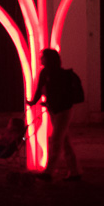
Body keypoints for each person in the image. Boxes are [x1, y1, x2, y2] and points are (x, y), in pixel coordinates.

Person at [27, 49, 82, 181]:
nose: (40, 59)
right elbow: (40, 89)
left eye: (43, 57)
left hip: (63, 111)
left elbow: (56, 93)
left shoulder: (59, 74)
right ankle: (75, 172)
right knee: (64, 141)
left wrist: (35, 102)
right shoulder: (45, 73)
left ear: (49, 59)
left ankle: (48, 172)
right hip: (55, 110)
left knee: (56, 140)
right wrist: (33, 102)